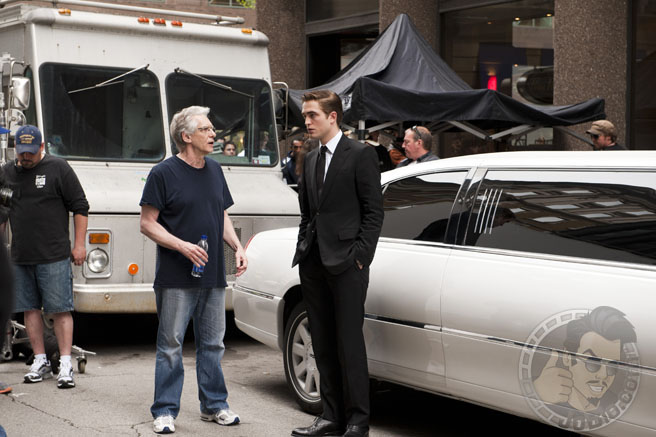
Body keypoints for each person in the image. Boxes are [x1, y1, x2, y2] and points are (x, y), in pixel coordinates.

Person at [140, 106, 246, 434]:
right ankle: (165, 410)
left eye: (213, 129)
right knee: (171, 346)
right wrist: (182, 246)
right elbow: (147, 223)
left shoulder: (215, 169)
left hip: (212, 275)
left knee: (213, 344)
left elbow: (221, 213)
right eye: (206, 129)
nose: (214, 134)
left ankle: (214, 405)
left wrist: (237, 246)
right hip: (175, 276)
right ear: (186, 136)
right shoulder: (163, 173)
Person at [292, 90, 384, 437]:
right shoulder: (310, 157)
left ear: (333, 116)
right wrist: (304, 247)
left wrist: (360, 258)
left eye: (312, 115)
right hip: (314, 262)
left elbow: (374, 212)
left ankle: (358, 421)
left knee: (349, 343)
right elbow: (308, 213)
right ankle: (330, 416)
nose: (307, 121)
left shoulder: (360, 154)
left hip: (348, 264)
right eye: (305, 115)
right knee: (322, 341)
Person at [1, 124, 89, 389]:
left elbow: (80, 206)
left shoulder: (58, 168)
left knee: (60, 310)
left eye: (31, 151)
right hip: (21, 255)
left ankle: (65, 363)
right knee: (30, 309)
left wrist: (80, 245)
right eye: (21, 152)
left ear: (41, 147)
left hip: (54, 255)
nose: (26, 157)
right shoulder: (7, 173)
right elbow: (3, 213)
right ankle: (40, 360)